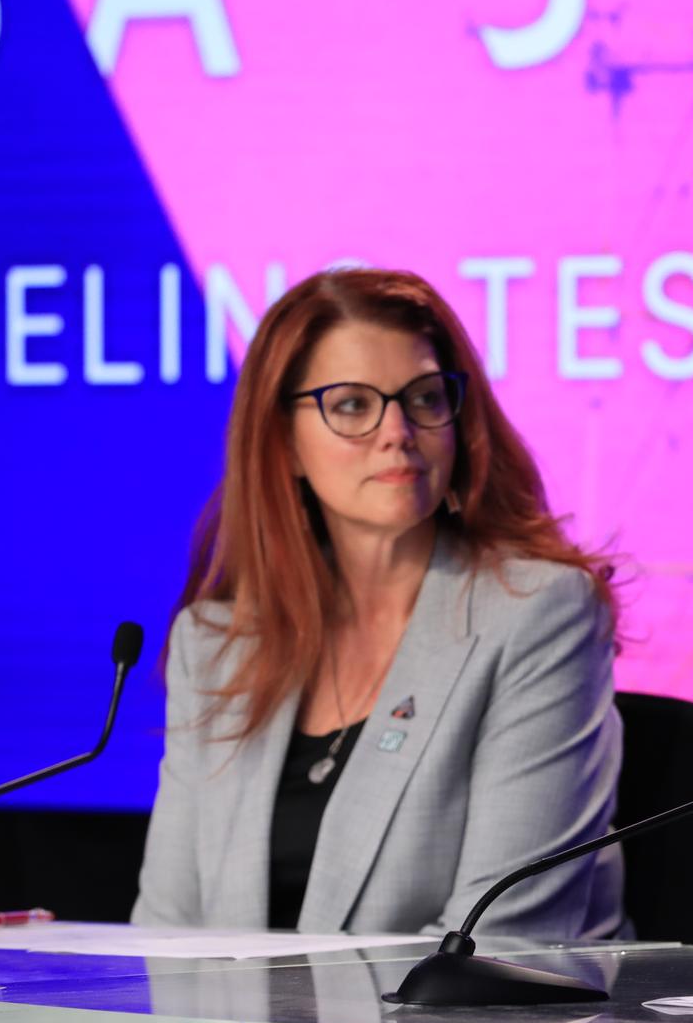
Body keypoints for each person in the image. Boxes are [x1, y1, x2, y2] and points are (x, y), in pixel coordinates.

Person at [133, 268, 625, 938]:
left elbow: (501, 940)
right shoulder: (216, 644)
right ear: (284, 444)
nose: (397, 430)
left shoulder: (538, 612)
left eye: (424, 398)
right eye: (353, 405)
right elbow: (167, 931)